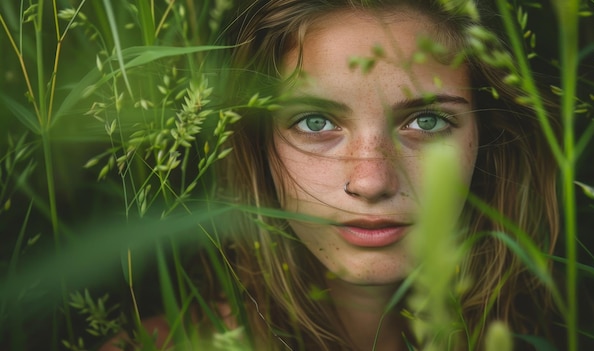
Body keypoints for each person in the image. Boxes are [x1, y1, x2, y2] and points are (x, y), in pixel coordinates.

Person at [101, 0, 560, 350]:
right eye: (316, 123)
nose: (371, 182)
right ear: (257, 142)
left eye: (426, 122)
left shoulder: (577, 330)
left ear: (488, 134)